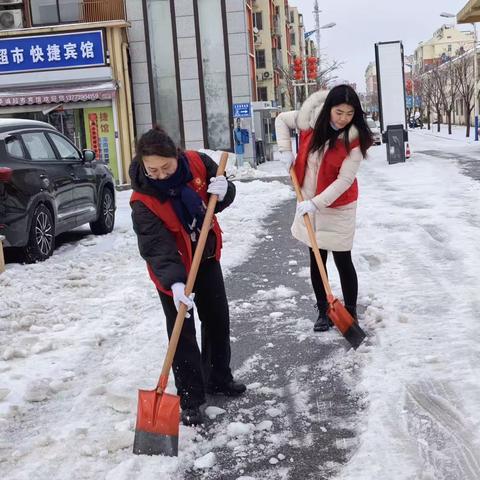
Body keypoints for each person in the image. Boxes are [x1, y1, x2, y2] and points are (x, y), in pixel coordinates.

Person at [129, 126, 246, 426]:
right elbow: (155, 246)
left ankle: (218, 378)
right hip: (172, 270)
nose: (160, 175)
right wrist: (176, 283)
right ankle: (191, 398)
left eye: (165, 167)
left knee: (217, 318)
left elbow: (220, 194)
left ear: (176, 156)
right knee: (181, 331)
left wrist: (225, 191)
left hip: (205, 258)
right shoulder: (142, 200)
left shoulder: (196, 162)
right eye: (151, 169)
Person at [275, 85, 372, 332]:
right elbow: (281, 120)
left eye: (349, 113)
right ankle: (323, 311)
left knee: (342, 257)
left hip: (338, 205)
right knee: (317, 258)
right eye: (339, 112)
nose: (343, 119)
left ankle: (349, 314)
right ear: (329, 107)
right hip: (309, 197)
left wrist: (315, 203)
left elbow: (345, 180)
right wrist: (285, 150)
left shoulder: (354, 139)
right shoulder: (311, 119)